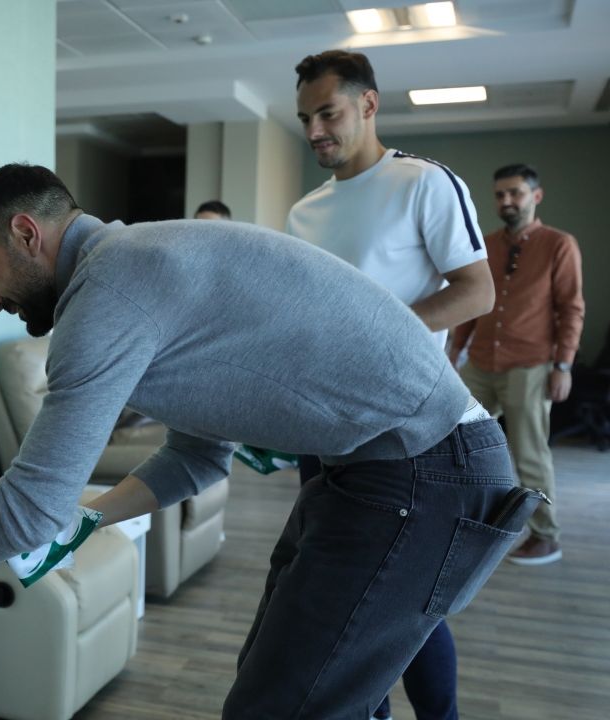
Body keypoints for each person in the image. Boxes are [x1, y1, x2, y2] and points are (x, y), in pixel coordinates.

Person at [0, 163, 530, 719]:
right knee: (291, 686)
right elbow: (200, 454)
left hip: (423, 468)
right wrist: (88, 519)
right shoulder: (139, 266)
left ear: (27, 233)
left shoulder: (107, 293)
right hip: (384, 468)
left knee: (280, 708)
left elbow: (27, 509)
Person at [286, 49, 495, 720]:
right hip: (322, 435)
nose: (315, 130)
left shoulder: (424, 184)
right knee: (342, 603)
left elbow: (477, 290)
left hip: (405, 434)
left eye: (328, 113)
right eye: (305, 118)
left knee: (406, 603)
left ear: (369, 104)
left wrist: (381, 332)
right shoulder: (304, 214)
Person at [450, 163, 584, 565]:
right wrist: (453, 353)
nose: (506, 200)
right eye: (500, 194)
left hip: (530, 366)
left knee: (529, 455)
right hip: (480, 362)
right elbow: (472, 301)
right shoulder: (486, 244)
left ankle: (545, 535)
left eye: (516, 193)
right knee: (456, 443)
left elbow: (571, 308)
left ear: (535, 196)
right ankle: (459, 520)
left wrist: (563, 366)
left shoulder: (559, 245)